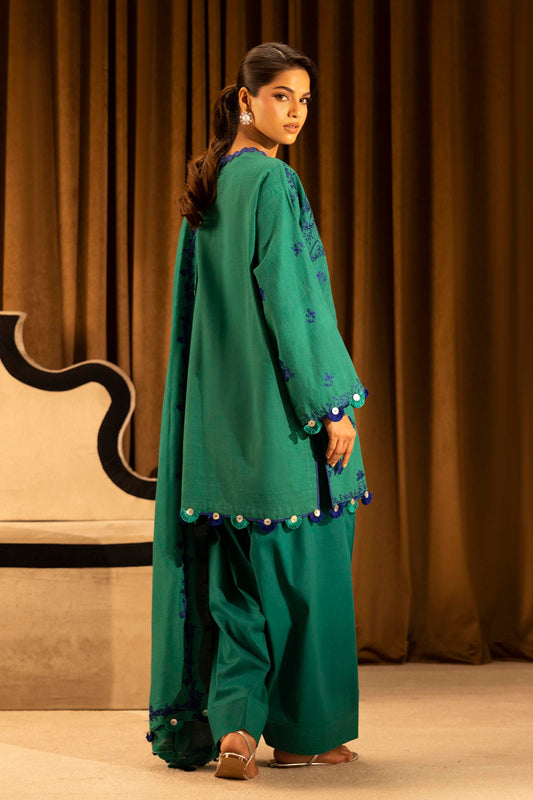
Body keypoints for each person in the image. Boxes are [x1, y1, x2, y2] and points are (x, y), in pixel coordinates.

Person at [147, 42, 372, 780]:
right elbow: (293, 303)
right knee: (306, 581)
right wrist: (330, 407)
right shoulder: (273, 181)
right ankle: (305, 735)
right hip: (279, 426)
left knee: (235, 588)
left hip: (217, 434)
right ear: (245, 100)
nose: (296, 112)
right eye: (281, 96)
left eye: (305, 100)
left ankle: (235, 730)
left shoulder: (211, 181)